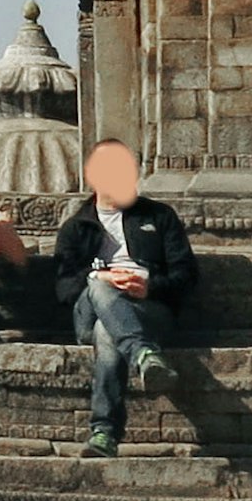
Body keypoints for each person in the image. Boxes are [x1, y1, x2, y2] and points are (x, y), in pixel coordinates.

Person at [49, 139, 198, 457]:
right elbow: (64, 288)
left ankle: (103, 433)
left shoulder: (159, 217)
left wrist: (149, 286)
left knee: (108, 332)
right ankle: (143, 354)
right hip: (88, 313)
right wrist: (100, 277)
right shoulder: (76, 228)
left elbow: (186, 275)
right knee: (101, 287)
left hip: (148, 310)